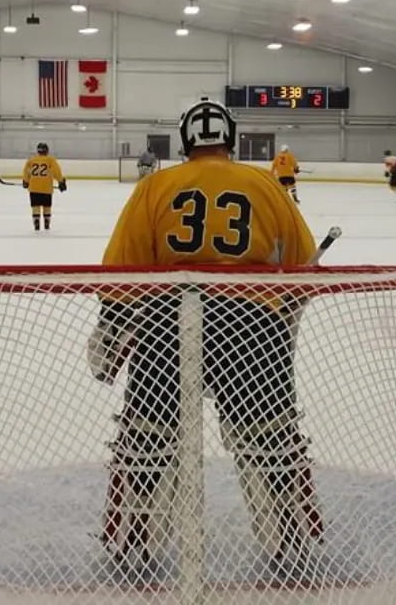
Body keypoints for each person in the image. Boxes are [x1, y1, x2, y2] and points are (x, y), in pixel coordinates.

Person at [90, 98, 322, 563]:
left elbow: (122, 269)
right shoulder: (264, 184)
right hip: (252, 327)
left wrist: (111, 327)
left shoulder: (156, 186)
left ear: (185, 140)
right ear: (230, 137)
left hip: (166, 325)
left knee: (149, 436)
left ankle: (134, 541)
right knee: (269, 436)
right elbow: (303, 263)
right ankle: (291, 539)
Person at [22, 142, 66, 231]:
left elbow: (26, 172)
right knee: (47, 206)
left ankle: (36, 222)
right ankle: (46, 222)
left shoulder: (31, 160)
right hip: (47, 188)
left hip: (34, 188)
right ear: (47, 151)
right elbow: (57, 171)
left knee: (35, 206)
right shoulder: (50, 160)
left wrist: (25, 181)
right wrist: (61, 182)